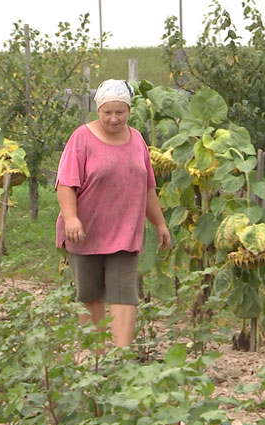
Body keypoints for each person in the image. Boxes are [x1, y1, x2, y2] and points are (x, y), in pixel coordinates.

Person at [55, 79, 171, 348]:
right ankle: (93, 356)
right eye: (108, 112)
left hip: (125, 231)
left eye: (120, 111)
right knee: (90, 293)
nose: (114, 118)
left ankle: (121, 357)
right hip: (85, 231)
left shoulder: (137, 140)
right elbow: (65, 183)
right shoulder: (81, 138)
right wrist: (71, 218)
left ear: (129, 111)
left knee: (124, 293)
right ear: (99, 110)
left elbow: (148, 188)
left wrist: (160, 223)